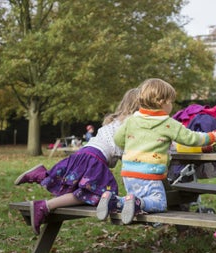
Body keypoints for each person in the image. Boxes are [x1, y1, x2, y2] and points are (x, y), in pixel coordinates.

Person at [97, 78, 216, 225]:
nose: (171, 105)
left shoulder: (131, 120)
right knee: (159, 203)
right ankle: (138, 203)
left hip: (129, 172)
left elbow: (118, 139)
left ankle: (113, 200)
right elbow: (190, 138)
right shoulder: (168, 123)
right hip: (151, 173)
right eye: (170, 102)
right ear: (161, 102)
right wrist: (211, 136)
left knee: (131, 198)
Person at [14, 88, 140, 235]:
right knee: (98, 195)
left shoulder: (114, 120)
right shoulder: (133, 122)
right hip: (95, 159)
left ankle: (41, 175)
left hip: (84, 153)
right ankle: (44, 206)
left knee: (72, 186)